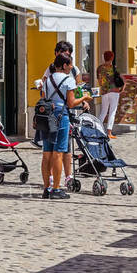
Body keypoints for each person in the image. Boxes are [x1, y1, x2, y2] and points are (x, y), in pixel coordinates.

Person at [41, 54, 91, 199]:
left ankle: (46, 188)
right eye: (70, 65)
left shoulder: (47, 80)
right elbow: (71, 103)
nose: (71, 67)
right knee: (58, 152)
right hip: (61, 115)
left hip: (47, 116)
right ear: (64, 65)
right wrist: (84, 98)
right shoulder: (69, 80)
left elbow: (44, 99)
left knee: (47, 153)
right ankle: (56, 189)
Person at [31, 41, 85, 149]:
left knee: (62, 146)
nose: (64, 55)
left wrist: (82, 99)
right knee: (57, 148)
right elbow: (44, 85)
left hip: (68, 108)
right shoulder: (51, 68)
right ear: (56, 53)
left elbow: (79, 88)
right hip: (54, 108)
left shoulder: (74, 69)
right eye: (62, 53)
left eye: (67, 54)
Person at [96, 50, 121, 139]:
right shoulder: (114, 68)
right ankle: (109, 132)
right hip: (114, 91)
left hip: (104, 92)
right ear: (112, 58)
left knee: (103, 111)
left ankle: (96, 130)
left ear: (104, 57)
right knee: (112, 112)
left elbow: (99, 81)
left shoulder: (99, 68)